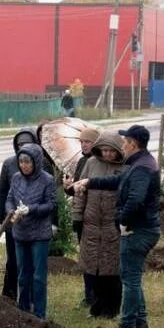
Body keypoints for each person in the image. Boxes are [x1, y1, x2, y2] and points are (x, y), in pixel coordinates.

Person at [74, 124, 161, 328]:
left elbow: (135, 199)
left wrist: (122, 222)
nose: (122, 144)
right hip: (140, 228)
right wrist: (89, 181)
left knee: (129, 280)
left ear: (132, 144)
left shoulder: (141, 167)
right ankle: (140, 324)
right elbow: (116, 181)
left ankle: (126, 326)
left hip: (137, 230)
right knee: (131, 277)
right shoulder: (138, 163)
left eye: (125, 141)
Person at [75, 132, 125, 318]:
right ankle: (96, 307)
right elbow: (81, 191)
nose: (107, 154)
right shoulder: (91, 164)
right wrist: (77, 217)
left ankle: (111, 308)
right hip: (91, 224)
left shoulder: (124, 167)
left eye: (111, 151)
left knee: (111, 269)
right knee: (92, 268)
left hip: (113, 225)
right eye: (103, 150)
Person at [6, 143, 56, 319]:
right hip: (21, 232)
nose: (24, 165)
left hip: (39, 234)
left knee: (38, 276)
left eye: (28, 162)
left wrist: (31, 209)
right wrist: (11, 211)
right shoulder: (16, 178)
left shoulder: (47, 180)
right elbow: (10, 198)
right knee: (22, 275)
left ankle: (40, 314)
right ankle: (23, 310)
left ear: (36, 161)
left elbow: (50, 205)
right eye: (21, 162)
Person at [0, 128, 42, 299]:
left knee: (32, 262)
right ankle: (9, 293)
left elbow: (51, 197)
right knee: (13, 260)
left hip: (36, 222)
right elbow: (1, 192)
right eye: (20, 144)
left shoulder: (43, 165)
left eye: (27, 143)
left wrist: (53, 222)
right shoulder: (9, 164)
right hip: (13, 220)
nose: (23, 146)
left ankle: (29, 296)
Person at [64, 126, 100, 305]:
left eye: (87, 142)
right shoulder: (81, 162)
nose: (84, 145)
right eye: (82, 142)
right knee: (85, 257)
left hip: (94, 215)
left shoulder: (99, 163)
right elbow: (76, 191)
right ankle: (89, 295)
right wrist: (68, 186)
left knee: (96, 257)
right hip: (81, 215)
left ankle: (97, 295)